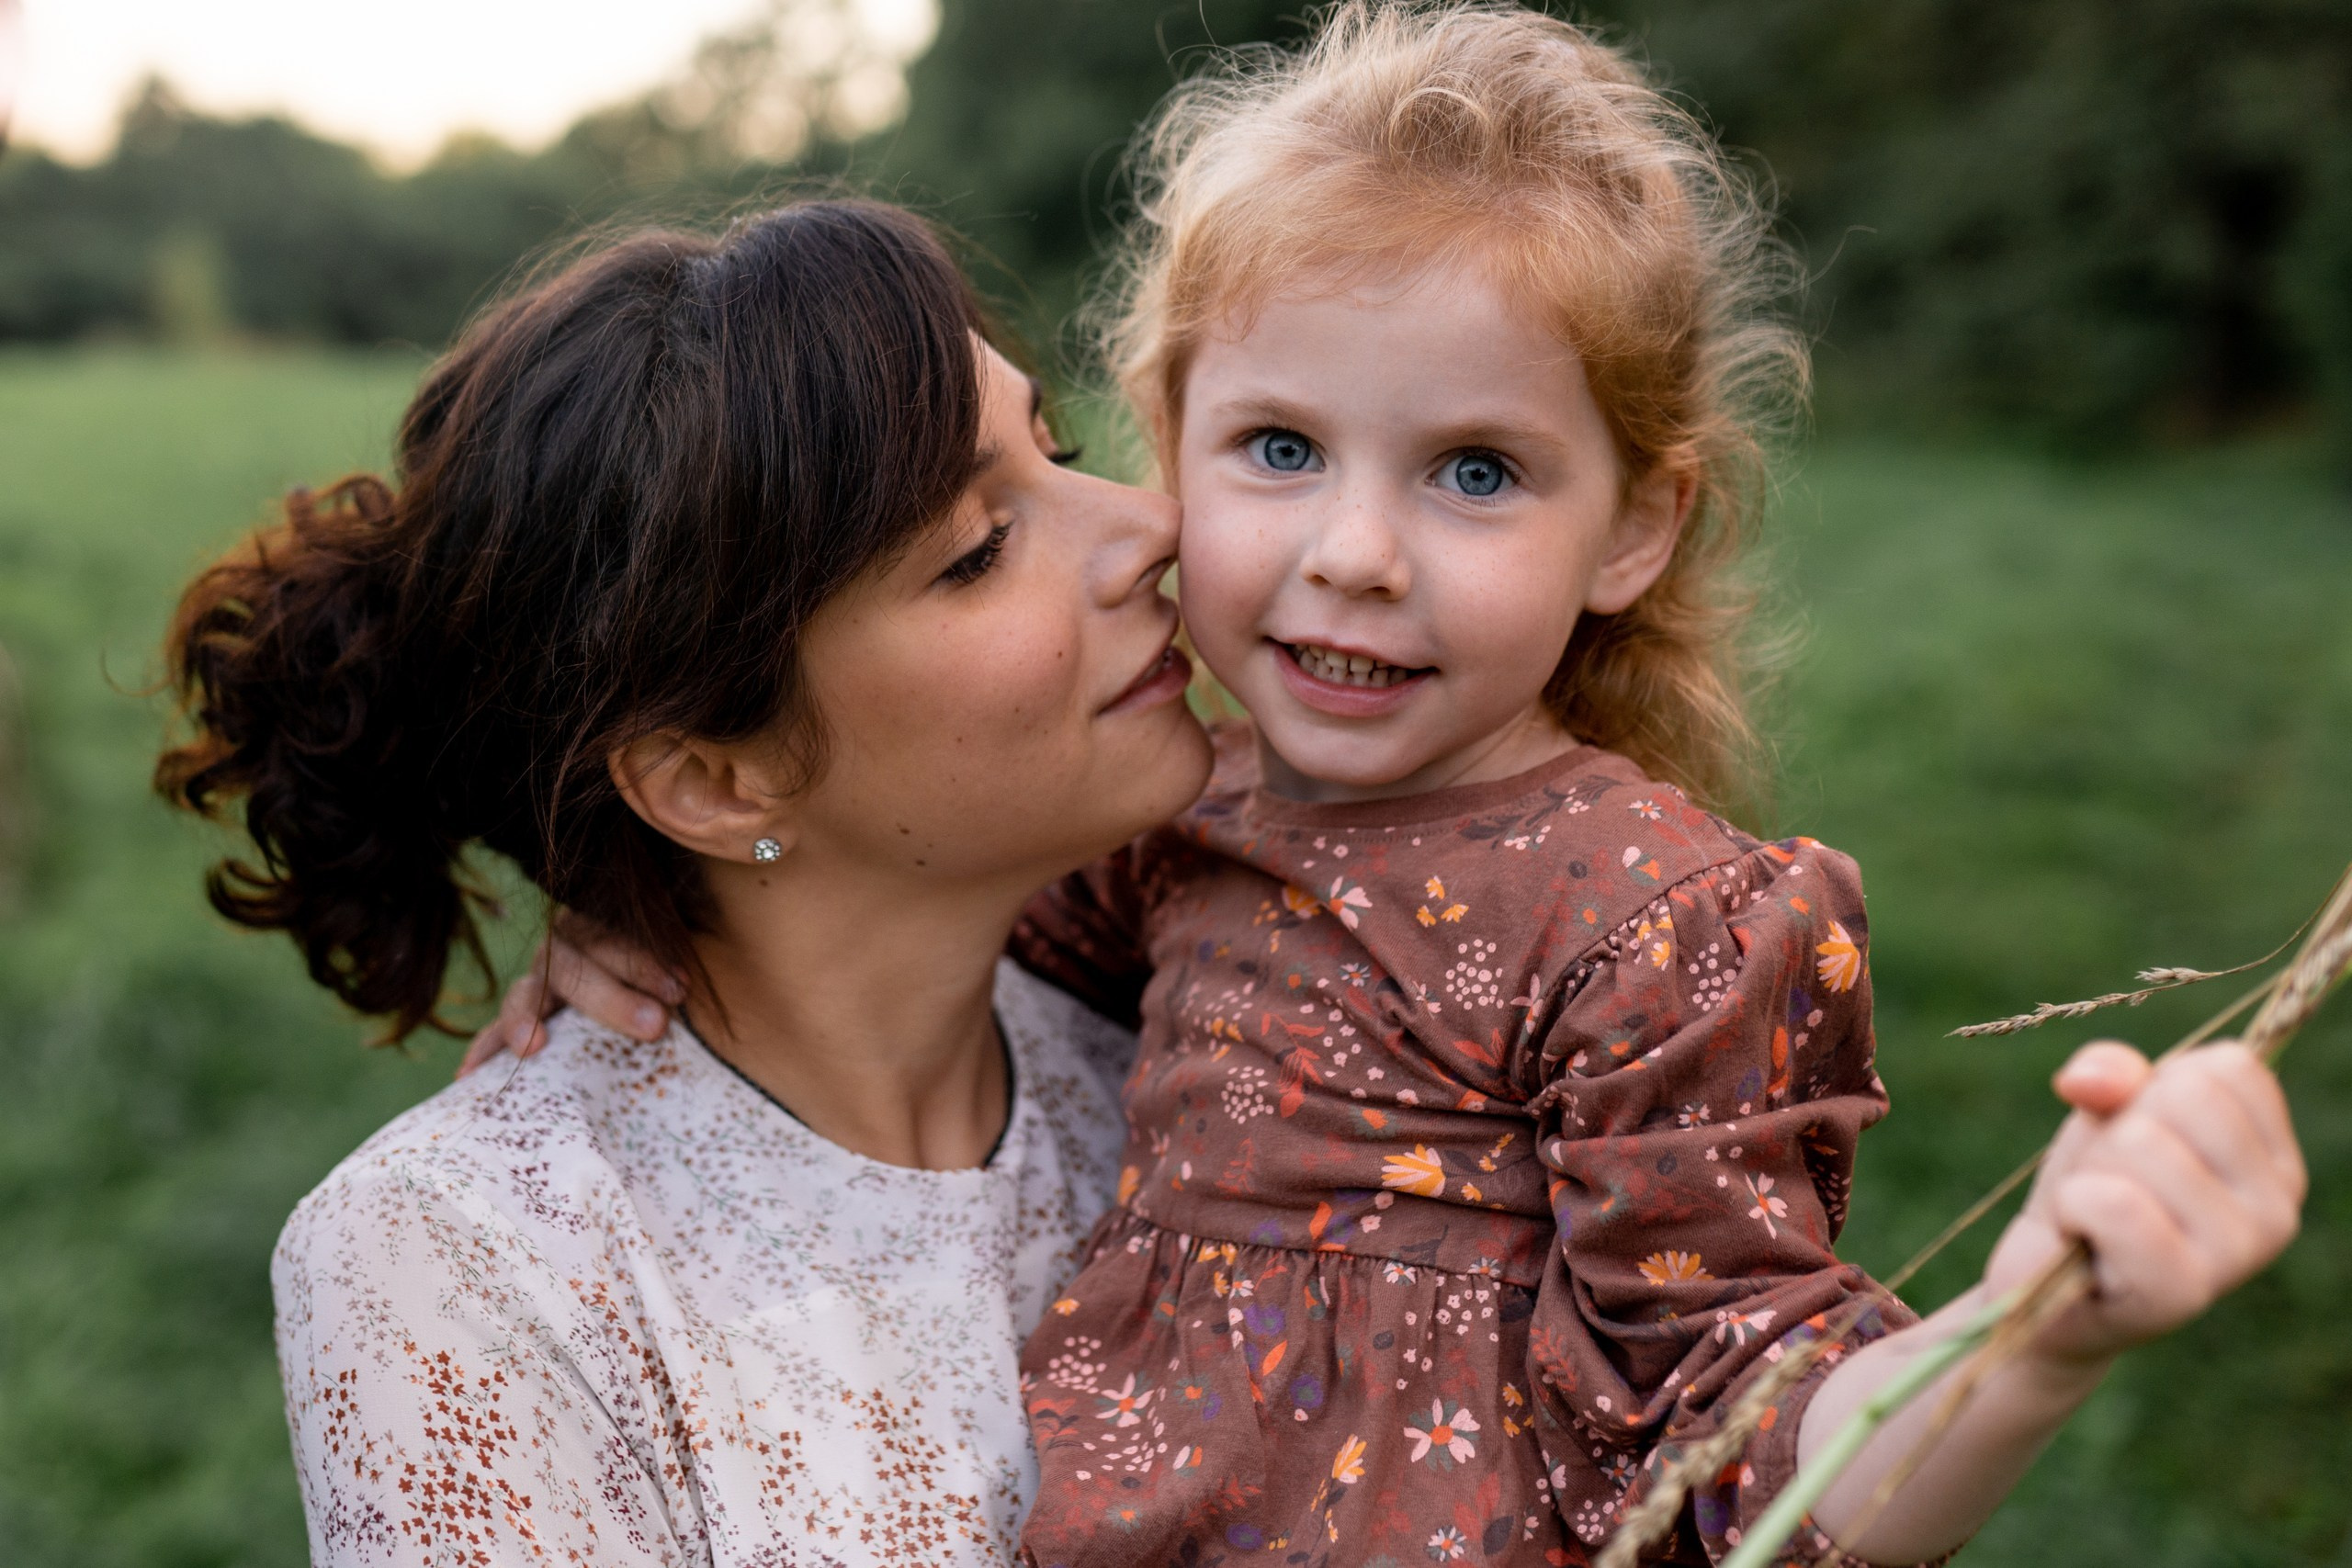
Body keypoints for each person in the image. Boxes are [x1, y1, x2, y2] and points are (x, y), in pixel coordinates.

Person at [502, 6, 2308, 1566]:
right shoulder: (1166, 826)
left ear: (1637, 524)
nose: (1355, 552)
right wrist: (667, 928)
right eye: (1278, 448)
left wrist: (2025, 1338)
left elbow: (1749, 1421)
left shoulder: (1645, 921)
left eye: (1473, 471)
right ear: (1172, 437)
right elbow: (885, 935)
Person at [154, 199, 1212, 1565]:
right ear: (715, 781)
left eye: (1057, 450)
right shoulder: (459, 1260)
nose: (1153, 524)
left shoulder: (1194, 1064)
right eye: (978, 549)